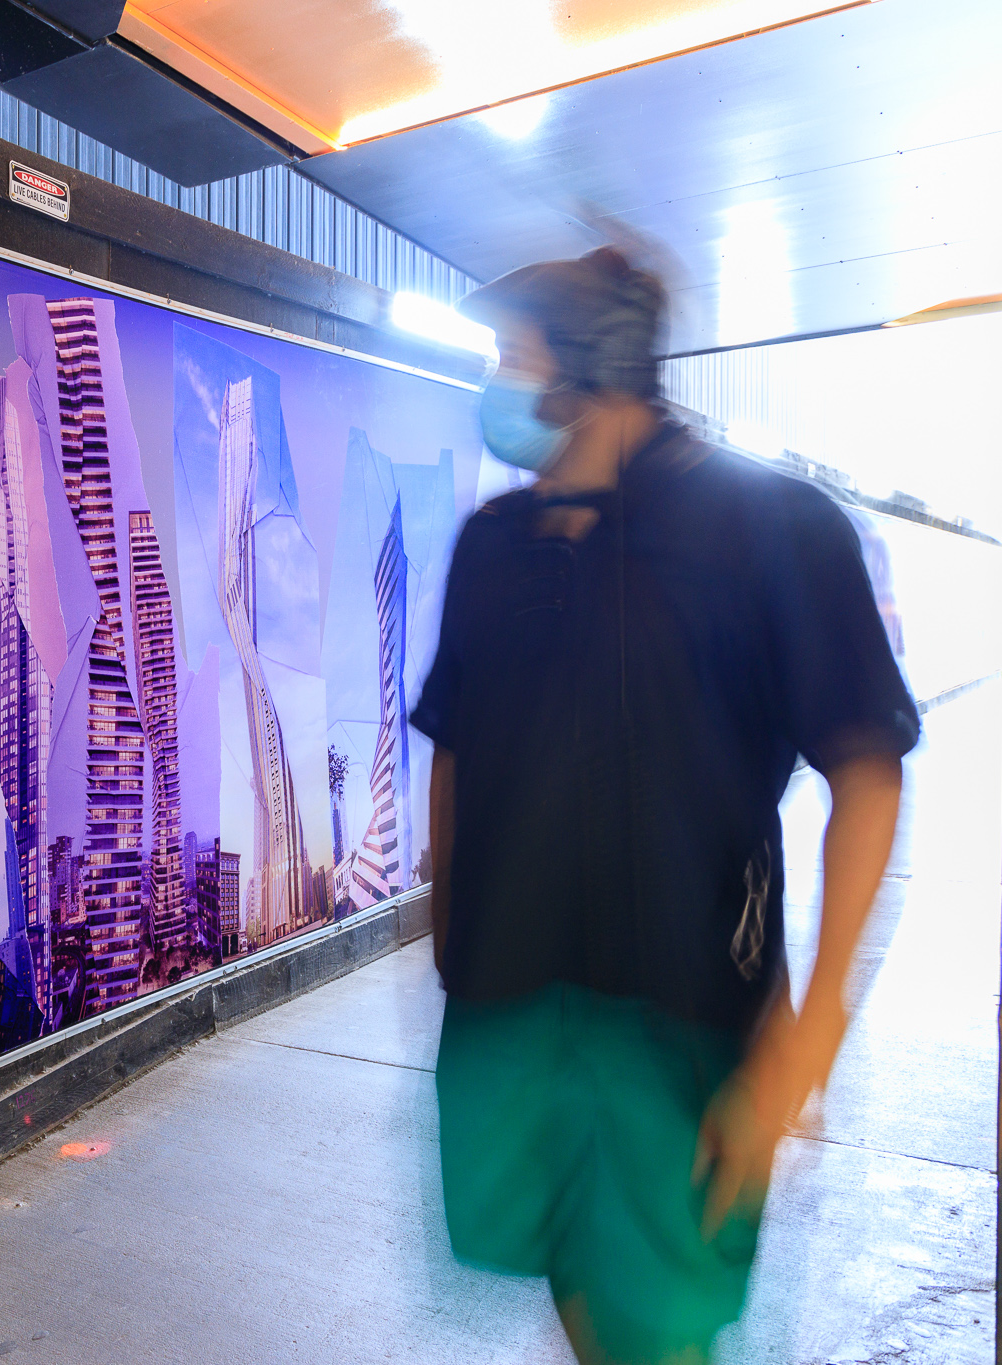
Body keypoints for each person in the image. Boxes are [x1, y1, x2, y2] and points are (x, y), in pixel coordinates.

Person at [411, 247, 916, 1365]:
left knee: (662, 1321)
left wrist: (801, 1045)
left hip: (678, 1027)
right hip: (508, 1012)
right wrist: (450, 942)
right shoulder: (492, 548)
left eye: (510, 354)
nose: (494, 384)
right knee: (570, 1279)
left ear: (592, 366)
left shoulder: (768, 530)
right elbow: (453, 744)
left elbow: (866, 774)